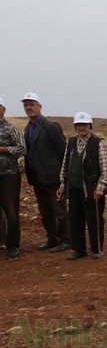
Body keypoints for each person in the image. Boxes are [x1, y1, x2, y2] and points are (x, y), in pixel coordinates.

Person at [57, 112, 107, 260]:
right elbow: (65, 165)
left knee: (94, 220)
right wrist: (62, 184)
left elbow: (105, 169)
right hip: (74, 188)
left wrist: (101, 187)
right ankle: (78, 249)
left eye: (85, 125)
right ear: (75, 127)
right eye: (79, 125)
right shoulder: (71, 142)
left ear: (90, 126)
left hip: (92, 189)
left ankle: (97, 249)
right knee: (75, 220)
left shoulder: (99, 142)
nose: (82, 127)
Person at [22, 92, 70, 252]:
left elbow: (64, 151)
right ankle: (53, 238)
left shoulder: (51, 126)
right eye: (26, 105)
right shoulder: (28, 128)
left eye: (32, 104)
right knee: (45, 212)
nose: (29, 107)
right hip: (36, 176)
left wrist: (63, 175)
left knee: (60, 210)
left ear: (39, 106)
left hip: (53, 176)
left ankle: (66, 240)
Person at [0, 96, 27, 258]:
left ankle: (12, 244)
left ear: (3, 109)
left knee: (11, 210)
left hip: (9, 176)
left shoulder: (11, 129)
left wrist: (3, 149)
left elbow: (22, 149)